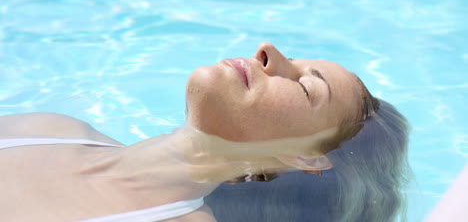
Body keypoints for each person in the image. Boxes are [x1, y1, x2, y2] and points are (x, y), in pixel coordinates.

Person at [0, 42, 410, 222]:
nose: (268, 51)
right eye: (294, 56)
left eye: (306, 87)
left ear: (306, 157)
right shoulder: (48, 127)